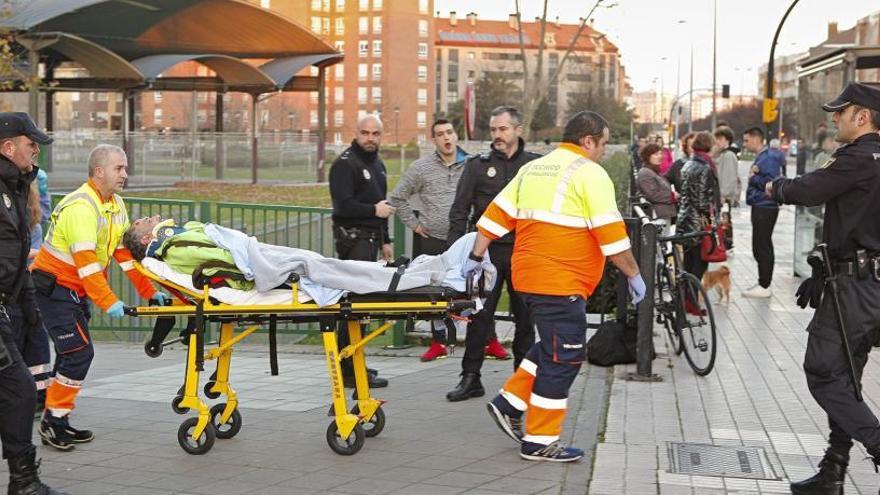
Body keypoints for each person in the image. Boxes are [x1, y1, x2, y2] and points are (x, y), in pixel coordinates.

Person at [467, 111, 644, 462]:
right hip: (560, 279)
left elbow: (497, 213)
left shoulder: (534, 168)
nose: (604, 151)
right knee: (564, 357)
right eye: (604, 144)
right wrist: (633, 275)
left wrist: (476, 256)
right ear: (588, 140)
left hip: (529, 276)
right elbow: (611, 235)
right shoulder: (590, 173)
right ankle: (539, 440)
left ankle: (509, 403)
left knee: (551, 346)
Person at [766, 82, 880, 495]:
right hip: (864, 285)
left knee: (823, 373)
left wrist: (774, 187)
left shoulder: (858, 158)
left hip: (854, 286)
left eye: (841, 111)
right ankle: (833, 471)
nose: (834, 118)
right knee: (847, 377)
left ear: (862, 116)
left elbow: (808, 190)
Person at [31, 144, 165, 451]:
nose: (125, 175)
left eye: (125, 168)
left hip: (74, 291)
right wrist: (108, 301)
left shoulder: (115, 204)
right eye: (119, 169)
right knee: (79, 353)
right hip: (54, 289)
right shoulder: (81, 207)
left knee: (71, 354)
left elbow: (123, 254)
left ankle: (57, 419)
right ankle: (53, 421)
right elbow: (87, 263)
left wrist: (148, 291)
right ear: (99, 171)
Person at [445, 106, 540, 402]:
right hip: (487, 253)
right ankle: (471, 377)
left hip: (523, 252)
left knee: (526, 318)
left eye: (503, 129)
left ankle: (522, 382)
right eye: (494, 130)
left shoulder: (535, 166)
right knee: (479, 315)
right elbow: (460, 210)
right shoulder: (477, 166)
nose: (497, 135)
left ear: (518, 130)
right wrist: (455, 255)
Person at [0, 111, 69, 494]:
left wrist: (27, 306)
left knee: (17, 390)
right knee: (20, 390)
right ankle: (23, 483)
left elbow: (16, 257)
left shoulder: (12, 188)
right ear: (9, 147)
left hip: (6, 307)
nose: (35, 154)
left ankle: (23, 481)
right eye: (31, 146)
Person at [388, 119, 468, 361]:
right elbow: (397, 197)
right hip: (433, 239)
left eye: (450, 132)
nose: (446, 138)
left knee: (476, 290)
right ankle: (439, 342)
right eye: (440, 134)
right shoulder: (421, 168)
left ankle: (488, 340)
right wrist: (414, 225)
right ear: (434, 140)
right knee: (434, 293)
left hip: (465, 239)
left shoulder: (472, 165)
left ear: (456, 136)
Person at [328, 114, 392, 389]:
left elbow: (382, 206)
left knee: (363, 308)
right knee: (354, 308)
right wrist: (373, 211)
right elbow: (343, 206)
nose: (370, 138)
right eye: (365, 133)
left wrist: (386, 240)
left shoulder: (377, 165)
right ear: (356, 134)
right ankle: (348, 369)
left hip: (371, 241)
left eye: (375, 133)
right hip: (353, 241)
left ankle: (356, 362)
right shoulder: (345, 164)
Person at [7, 182, 52, 416]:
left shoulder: (31, 225)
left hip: (27, 285)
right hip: (13, 287)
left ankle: (40, 393)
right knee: (19, 337)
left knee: (35, 336)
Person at [742, 126, 785, 298]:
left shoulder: (767, 157)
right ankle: (763, 282)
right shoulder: (763, 156)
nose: (745, 144)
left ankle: (764, 284)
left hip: (765, 206)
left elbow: (771, 182)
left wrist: (753, 177)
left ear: (755, 138)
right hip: (761, 205)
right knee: (759, 244)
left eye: (746, 140)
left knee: (762, 245)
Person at [675, 131, 720, 288]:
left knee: (688, 262)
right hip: (699, 222)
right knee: (700, 263)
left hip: (686, 218)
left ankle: (685, 298)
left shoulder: (688, 164)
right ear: (708, 146)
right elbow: (703, 202)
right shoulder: (705, 167)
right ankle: (691, 299)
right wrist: (711, 223)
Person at [635, 142, 676, 226]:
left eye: (661, 153)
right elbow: (653, 195)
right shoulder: (645, 173)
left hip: (663, 215)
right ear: (647, 156)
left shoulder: (654, 172)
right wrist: (673, 196)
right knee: (663, 238)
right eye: (656, 154)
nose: (660, 156)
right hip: (658, 217)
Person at [713, 127, 740, 208]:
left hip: (723, 199)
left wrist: (724, 197)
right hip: (720, 198)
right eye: (716, 139)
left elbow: (729, 178)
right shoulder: (722, 154)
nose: (717, 141)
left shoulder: (728, 155)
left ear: (727, 140)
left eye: (720, 139)